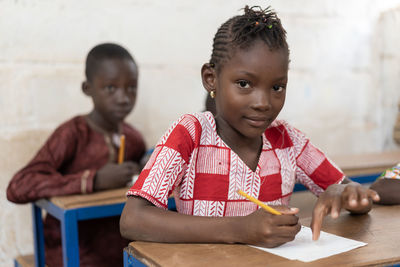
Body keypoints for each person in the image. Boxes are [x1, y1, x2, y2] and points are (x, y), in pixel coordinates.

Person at [120, 6, 379, 248]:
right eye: (244, 84)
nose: (263, 103)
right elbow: (133, 220)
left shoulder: (288, 140)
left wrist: (347, 193)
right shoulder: (191, 133)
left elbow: (352, 194)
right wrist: (241, 230)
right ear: (211, 79)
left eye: (277, 87)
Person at [7, 43, 146, 266]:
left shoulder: (134, 138)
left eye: (131, 87)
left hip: (117, 254)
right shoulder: (72, 134)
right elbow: (19, 186)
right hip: (69, 252)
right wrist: (94, 180)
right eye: (111, 88)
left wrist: (146, 165)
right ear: (87, 88)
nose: (123, 98)